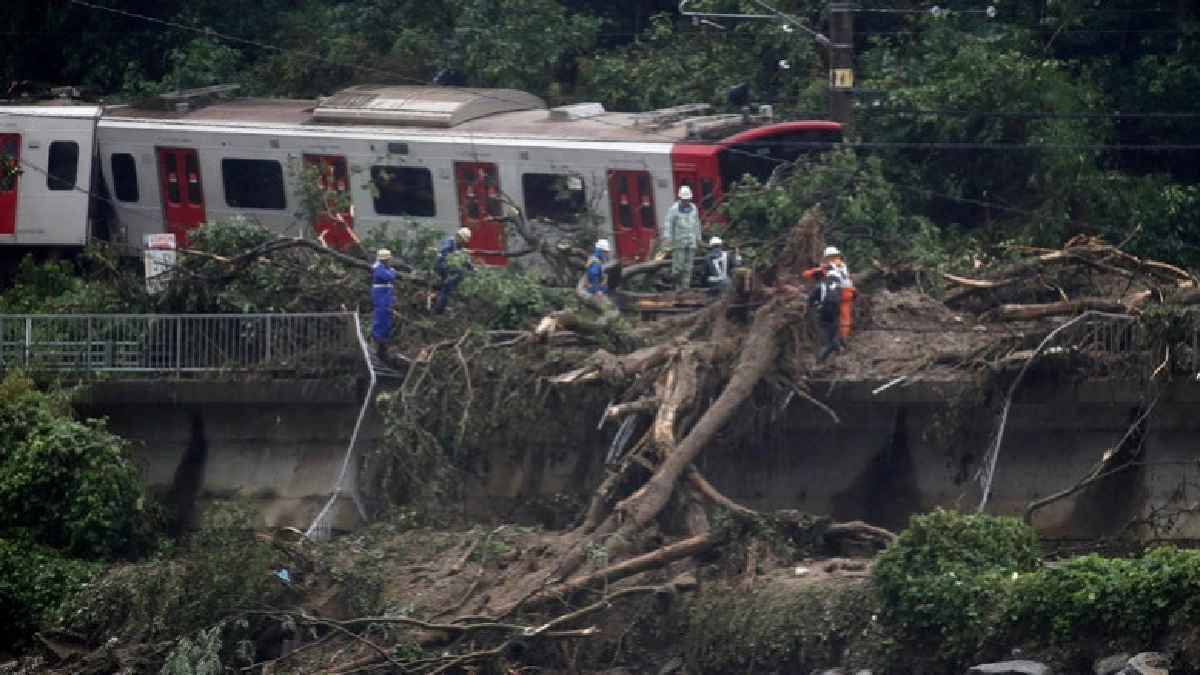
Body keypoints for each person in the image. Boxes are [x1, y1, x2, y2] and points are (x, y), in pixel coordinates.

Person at [804, 245, 856, 341]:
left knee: (832, 313)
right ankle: (844, 338)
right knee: (845, 317)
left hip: (840, 292)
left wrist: (807, 273)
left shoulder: (830, 265)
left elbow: (817, 271)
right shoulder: (842, 264)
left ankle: (833, 338)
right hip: (849, 291)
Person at [662, 185, 701, 289]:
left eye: (687, 199)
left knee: (688, 267)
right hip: (679, 243)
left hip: (691, 242)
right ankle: (677, 288)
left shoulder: (694, 208)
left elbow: (697, 224)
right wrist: (667, 238)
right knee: (678, 266)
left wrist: (698, 238)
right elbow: (668, 224)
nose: (686, 201)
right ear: (680, 198)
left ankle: (686, 287)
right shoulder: (674, 209)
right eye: (684, 199)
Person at [433, 227, 475, 315]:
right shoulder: (450, 242)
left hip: (449, 266)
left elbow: (464, 259)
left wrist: (472, 267)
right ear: (458, 237)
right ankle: (439, 308)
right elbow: (445, 253)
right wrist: (454, 257)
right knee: (450, 281)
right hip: (441, 265)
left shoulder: (460, 246)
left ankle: (442, 301)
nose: (463, 242)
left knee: (456, 277)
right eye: (462, 240)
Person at [807, 268, 845, 363]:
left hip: (824, 313)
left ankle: (820, 359)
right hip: (836, 312)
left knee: (829, 339)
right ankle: (837, 349)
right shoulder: (838, 285)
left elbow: (810, 300)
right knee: (832, 332)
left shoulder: (820, 286)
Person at [578, 238, 620, 322]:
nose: (607, 253)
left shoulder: (594, 258)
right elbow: (594, 276)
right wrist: (598, 290)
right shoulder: (596, 262)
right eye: (606, 251)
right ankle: (601, 323)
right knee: (610, 308)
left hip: (591, 288)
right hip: (590, 291)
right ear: (602, 251)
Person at [371, 248, 398, 362]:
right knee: (381, 315)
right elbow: (391, 276)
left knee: (387, 315)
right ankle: (378, 338)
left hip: (386, 295)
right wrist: (392, 271)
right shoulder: (378, 268)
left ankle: (385, 338)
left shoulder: (383, 268)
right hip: (380, 295)